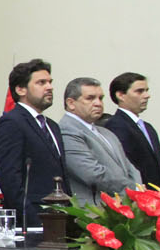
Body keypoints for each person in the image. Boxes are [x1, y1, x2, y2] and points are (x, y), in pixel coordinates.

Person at [0, 59, 65, 226]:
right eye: (41, 82)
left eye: (50, 82)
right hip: (33, 222)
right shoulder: (11, 123)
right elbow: (11, 181)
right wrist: (35, 221)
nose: (50, 87)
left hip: (60, 218)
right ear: (20, 89)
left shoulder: (52, 126)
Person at [58, 76, 141, 206]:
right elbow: (93, 174)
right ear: (71, 103)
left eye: (100, 98)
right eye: (90, 98)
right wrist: (133, 190)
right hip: (93, 212)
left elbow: (130, 168)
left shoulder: (106, 133)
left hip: (121, 208)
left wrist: (138, 188)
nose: (98, 103)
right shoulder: (66, 131)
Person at [105, 72, 160, 189]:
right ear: (120, 95)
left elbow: (159, 165)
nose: (147, 95)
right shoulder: (116, 125)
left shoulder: (147, 127)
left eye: (146, 90)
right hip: (138, 195)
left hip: (157, 196)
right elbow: (126, 165)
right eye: (139, 91)